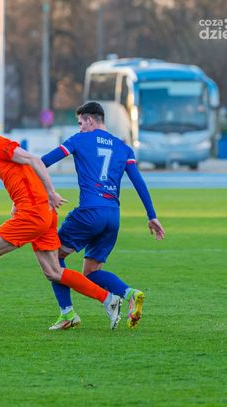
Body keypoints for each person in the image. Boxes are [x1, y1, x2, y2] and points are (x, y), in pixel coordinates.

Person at [0, 113, 122, 330]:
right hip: (42, 212)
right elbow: (25, 170)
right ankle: (109, 299)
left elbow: (34, 160)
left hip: (33, 213)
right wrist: (19, 201)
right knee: (54, 272)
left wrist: (51, 192)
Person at [41, 101, 165, 330]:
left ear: (90, 120)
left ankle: (67, 313)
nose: (79, 128)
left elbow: (43, 162)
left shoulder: (78, 140)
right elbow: (138, 182)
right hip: (112, 216)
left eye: (80, 123)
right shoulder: (123, 148)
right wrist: (152, 215)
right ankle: (129, 293)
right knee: (91, 271)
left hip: (89, 212)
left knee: (53, 257)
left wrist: (38, 189)